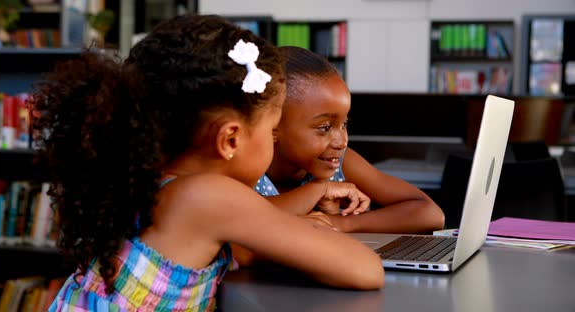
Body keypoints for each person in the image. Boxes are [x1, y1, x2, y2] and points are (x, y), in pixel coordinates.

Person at [32, 15, 383, 311]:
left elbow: (243, 251)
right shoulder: (208, 195)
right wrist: (313, 233)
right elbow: (365, 270)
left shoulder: (150, 182)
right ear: (230, 139)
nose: (273, 140)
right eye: (272, 128)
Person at [255, 46, 445, 234]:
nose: (342, 141)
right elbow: (243, 219)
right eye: (325, 128)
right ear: (272, 126)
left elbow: (430, 213)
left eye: (344, 124)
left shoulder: (340, 163)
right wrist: (318, 190)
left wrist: (340, 223)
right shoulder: (245, 167)